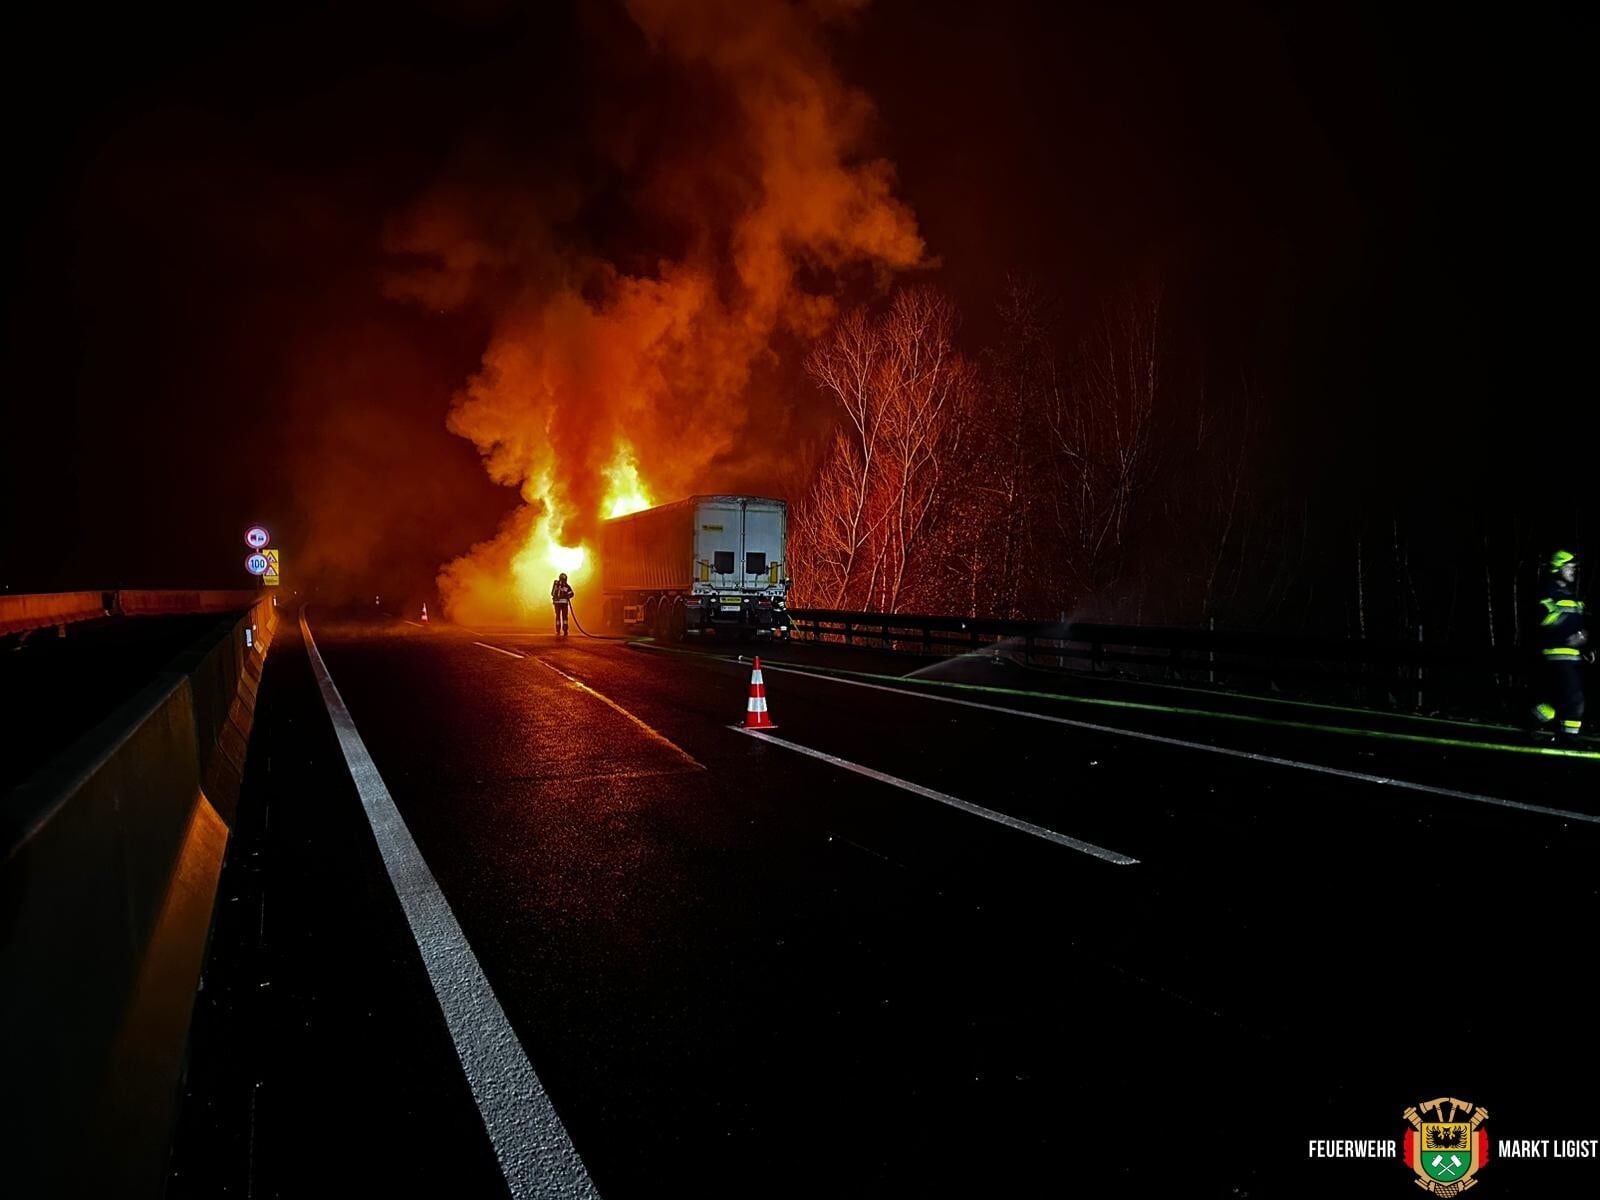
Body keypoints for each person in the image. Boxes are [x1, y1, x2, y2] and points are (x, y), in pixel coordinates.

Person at [1530, 549, 1588, 742]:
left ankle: (1532, 720)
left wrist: (1583, 640)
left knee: (1558, 702)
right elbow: (1544, 619)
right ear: (1558, 567)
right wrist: (1569, 634)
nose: (1573, 571)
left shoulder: (1570, 594)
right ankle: (1568, 742)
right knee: (1574, 701)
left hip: (1573, 657)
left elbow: (1579, 624)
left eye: (1574, 567)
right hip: (1557, 655)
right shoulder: (1549, 590)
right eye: (1569, 567)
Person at [551, 572, 575, 637]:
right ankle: (565, 630)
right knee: (564, 617)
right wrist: (567, 596)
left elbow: (552, 593)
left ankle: (558, 630)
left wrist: (567, 595)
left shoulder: (556, 585)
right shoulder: (567, 586)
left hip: (557, 604)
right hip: (564, 604)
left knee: (558, 617)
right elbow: (572, 594)